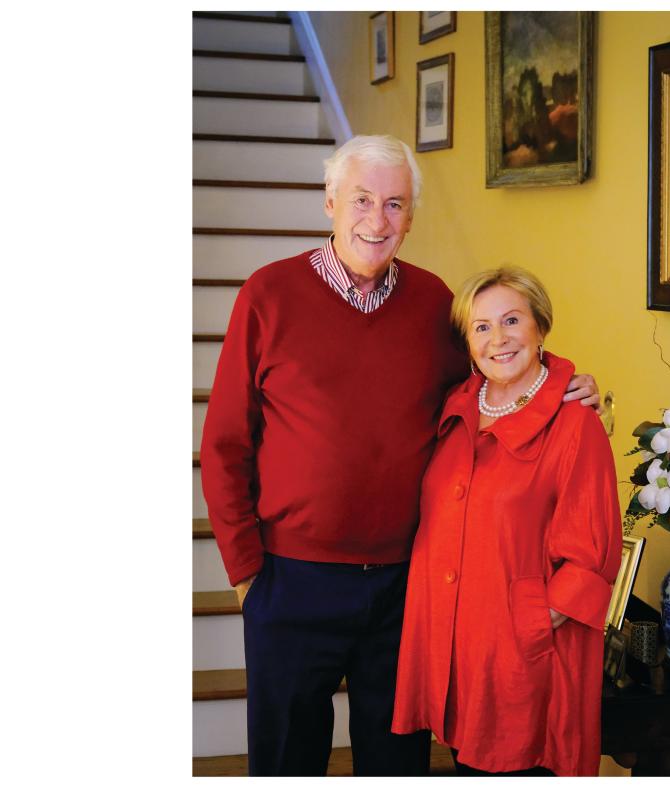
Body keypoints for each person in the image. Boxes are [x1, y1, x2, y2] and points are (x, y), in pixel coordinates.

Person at [199, 135, 600, 776]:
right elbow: (223, 443)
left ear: (411, 216)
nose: (377, 220)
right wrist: (248, 571)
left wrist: (563, 383)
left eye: (394, 204)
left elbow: (491, 379)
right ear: (330, 201)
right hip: (291, 578)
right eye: (361, 199)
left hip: (405, 586)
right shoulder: (267, 294)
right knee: (285, 761)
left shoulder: (434, 303)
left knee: (397, 762)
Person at [391, 267, 622, 777]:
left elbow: (591, 557)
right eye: (481, 327)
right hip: (457, 646)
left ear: (541, 327)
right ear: (468, 343)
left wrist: (533, 623)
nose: (498, 339)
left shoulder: (575, 420)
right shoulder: (454, 408)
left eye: (512, 320)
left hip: (524, 660)